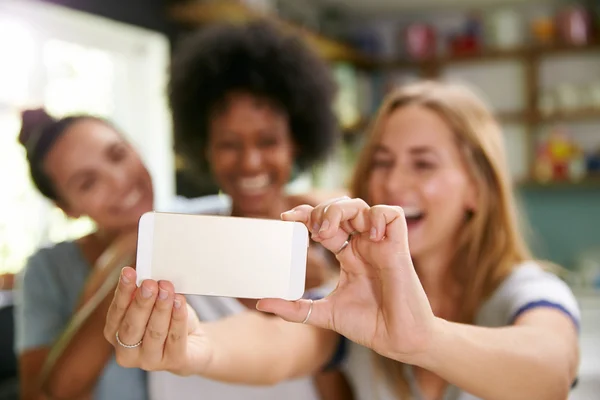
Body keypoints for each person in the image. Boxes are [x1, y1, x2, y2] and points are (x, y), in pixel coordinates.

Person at [105, 81, 580, 400]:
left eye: (423, 163)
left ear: (477, 186)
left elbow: (552, 370)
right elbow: (276, 342)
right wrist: (194, 348)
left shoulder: (522, 290)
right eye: (382, 161)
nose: (393, 183)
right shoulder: (356, 291)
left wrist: (424, 339)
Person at [144, 20, 351, 400]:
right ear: (204, 147)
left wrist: (308, 304)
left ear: (297, 144)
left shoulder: (333, 252)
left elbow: (338, 387)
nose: (250, 161)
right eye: (229, 143)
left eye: (268, 141)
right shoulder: (180, 242)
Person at [14, 108, 153, 400]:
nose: (119, 181)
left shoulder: (205, 223)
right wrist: (115, 274)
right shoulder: (47, 270)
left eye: (117, 155)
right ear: (67, 208)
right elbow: (40, 395)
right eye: (88, 183)